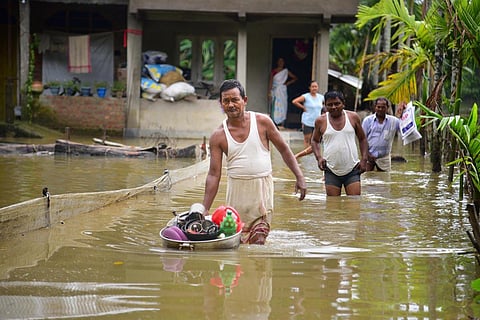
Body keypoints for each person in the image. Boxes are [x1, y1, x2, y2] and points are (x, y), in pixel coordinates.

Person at [202, 79, 307, 245]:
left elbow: (284, 149)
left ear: (244, 100)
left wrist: (299, 176)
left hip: (261, 191)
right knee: (239, 242)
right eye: (226, 101)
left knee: (259, 239)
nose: (230, 105)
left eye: (235, 100)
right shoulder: (218, 135)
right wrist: (204, 209)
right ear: (221, 104)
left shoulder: (262, 122)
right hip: (236, 193)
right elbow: (214, 174)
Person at [311, 91, 368, 196]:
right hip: (331, 169)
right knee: (333, 206)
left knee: (354, 204)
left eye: (337, 103)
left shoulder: (353, 117)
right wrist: (319, 158)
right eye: (330, 104)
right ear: (325, 105)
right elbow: (314, 141)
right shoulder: (321, 121)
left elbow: (362, 139)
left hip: (352, 168)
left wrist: (364, 159)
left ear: (343, 104)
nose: (334, 107)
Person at [361, 97, 405, 171]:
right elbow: (362, 139)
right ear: (375, 107)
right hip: (369, 157)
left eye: (383, 107)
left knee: (385, 180)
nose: (380, 109)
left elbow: (404, 129)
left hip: (384, 158)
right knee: (366, 178)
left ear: (387, 108)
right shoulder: (367, 121)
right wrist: (367, 155)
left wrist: (404, 112)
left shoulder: (394, 121)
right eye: (378, 107)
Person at [292, 80, 325, 149]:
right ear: (309, 88)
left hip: (317, 122)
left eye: (316, 87)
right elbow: (294, 101)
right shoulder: (306, 96)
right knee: (307, 139)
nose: (314, 88)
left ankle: (315, 155)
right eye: (312, 87)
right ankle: (306, 156)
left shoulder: (321, 97)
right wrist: (303, 107)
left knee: (317, 140)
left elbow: (326, 105)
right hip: (307, 121)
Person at [268, 57, 298, 127]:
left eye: (282, 61)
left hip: (282, 90)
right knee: (274, 106)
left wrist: (287, 83)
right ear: (277, 62)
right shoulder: (274, 71)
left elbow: (295, 78)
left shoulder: (286, 71)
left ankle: (282, 123)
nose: (280, 63)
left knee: (283, 106)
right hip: (275, 90)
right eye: (279, 61)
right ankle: (274, 123)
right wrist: (269, 92)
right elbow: (270, 82)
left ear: (284, 63)